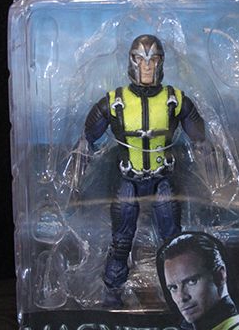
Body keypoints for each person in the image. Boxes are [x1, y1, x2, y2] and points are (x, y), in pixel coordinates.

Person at [84, 35, 205, 306]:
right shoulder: (115, 100)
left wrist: (206, 153)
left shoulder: (174, 99)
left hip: (163, 180)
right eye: (141, 59)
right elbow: (88, 135)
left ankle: (179, 298)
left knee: (172, 243)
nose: (147, 67)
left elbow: (200, 135)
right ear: (132, 62)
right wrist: (81, 158)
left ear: (161, 62)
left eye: (153, 60)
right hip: (128, 179)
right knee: (121, 242)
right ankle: (112, 293)